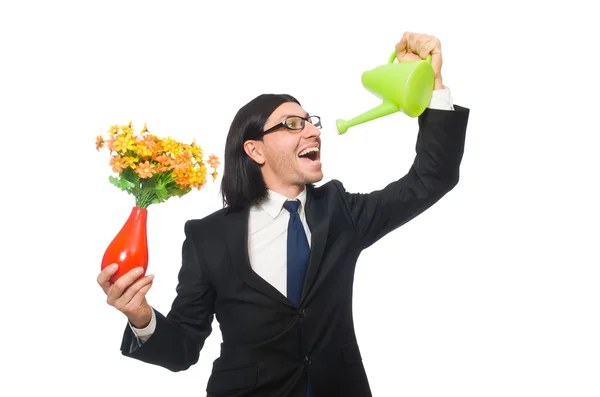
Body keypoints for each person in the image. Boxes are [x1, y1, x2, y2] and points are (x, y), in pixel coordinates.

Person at [97, 31, 470, 397]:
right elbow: (182, 349)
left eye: (311, 122)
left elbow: (431, 178)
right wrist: (142, 319)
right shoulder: (207, 237)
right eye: (293, 124)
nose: (312, 131)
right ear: (255, 150)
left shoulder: (341, 211)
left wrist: (433, 83)